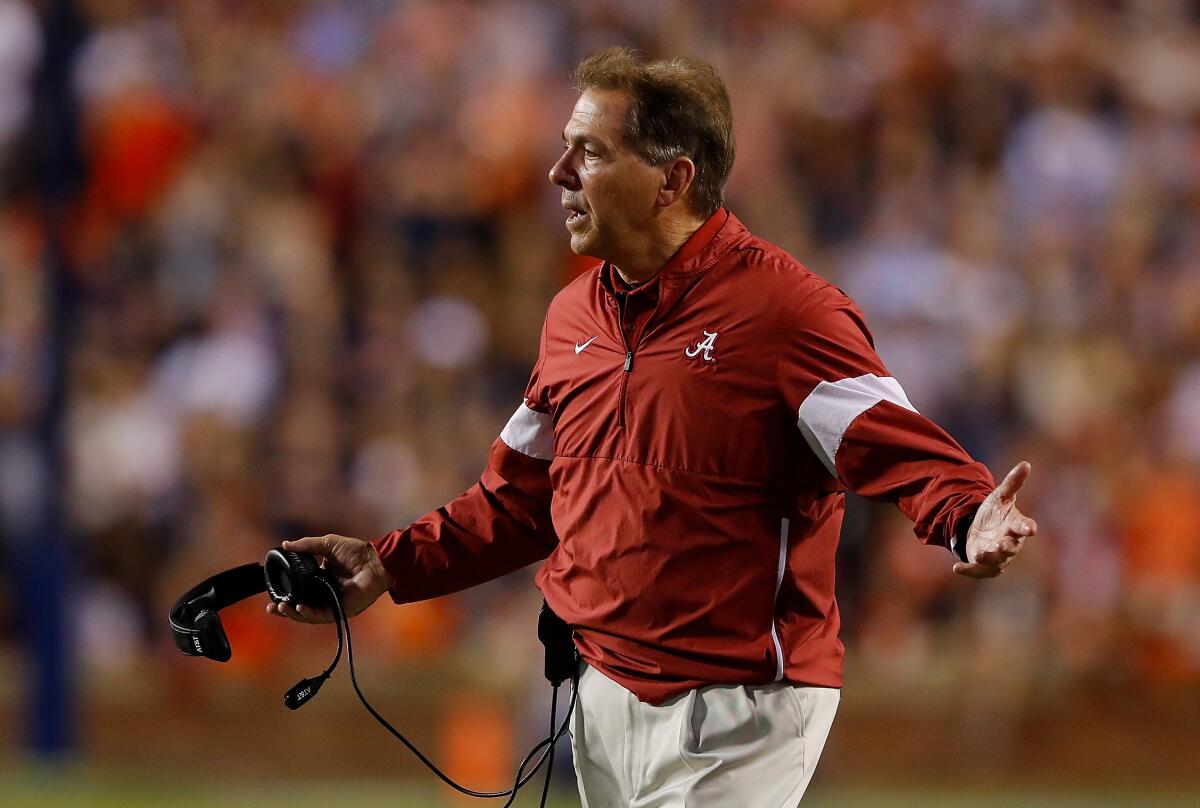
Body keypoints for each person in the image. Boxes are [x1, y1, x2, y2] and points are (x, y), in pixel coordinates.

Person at [267, 47, 1039, 806]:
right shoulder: (573, 315)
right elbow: (516, 502)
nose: (557, 174)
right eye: (564, 149)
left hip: (742, 706)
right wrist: (384, 565)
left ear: (672, 180)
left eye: (589, 153)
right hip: (600, 697)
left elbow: (888, 435)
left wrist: (967, 514)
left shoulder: (783, 312)